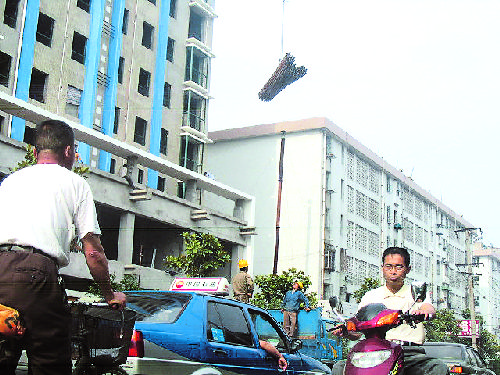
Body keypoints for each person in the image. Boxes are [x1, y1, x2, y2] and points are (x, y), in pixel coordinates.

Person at [0, 120, 127, 375]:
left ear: (35, 152)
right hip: (38, 275)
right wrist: (109, 294)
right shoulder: (75, 184)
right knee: (50, 361)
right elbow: (93, 251)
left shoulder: (10, 182)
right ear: (68, 152)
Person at [331, 247, 448, 375]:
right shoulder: (370, 296)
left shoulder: (414, 293)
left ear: (407, 269)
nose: (393, 272)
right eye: (389, 267)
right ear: (382, 268)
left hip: (409, 353)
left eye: (399, 267)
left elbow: (428, 307)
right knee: (339, 367)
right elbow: (358, 332)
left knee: (437, 368)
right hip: (374, 352)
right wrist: (346, 331)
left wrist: (423, 312)